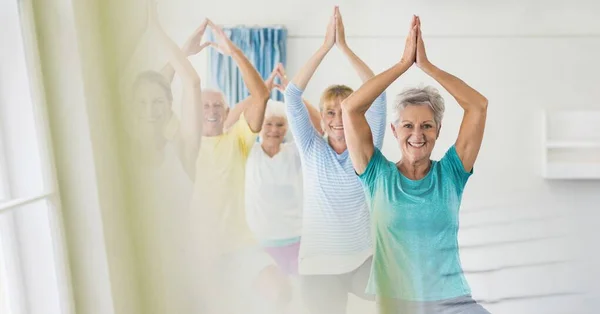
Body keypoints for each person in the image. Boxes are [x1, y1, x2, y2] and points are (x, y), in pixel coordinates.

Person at [341, 15, 490, 314]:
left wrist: (426, 66)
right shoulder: (376, 176)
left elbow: (478, 105)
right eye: (408, 126)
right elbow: (351, 108)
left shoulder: (451, 173)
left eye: (427, 126)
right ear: (395, 131)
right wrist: (402, 64)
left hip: (452, 301)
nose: (417, 135)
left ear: (437, 129)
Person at [284, 6, 387, 314]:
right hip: (318, 267)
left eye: (346, 110)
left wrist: (345, 48)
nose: (338, 118)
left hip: (362, 262)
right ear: (323, 118)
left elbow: (379, 95)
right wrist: (326, 47)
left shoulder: (367, 147)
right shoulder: (311, 148)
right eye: (331, 111)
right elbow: (291, 96)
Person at [121, 1, 204, 313]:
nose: (150, 111)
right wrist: (140, 30)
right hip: (132, 272)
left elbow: (192, 83)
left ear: (170, 105)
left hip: (180, 274)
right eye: (140, 103)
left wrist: (154, 28)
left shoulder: (182, 149)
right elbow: (109, 88)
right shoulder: (121, 149)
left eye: (158, 103)